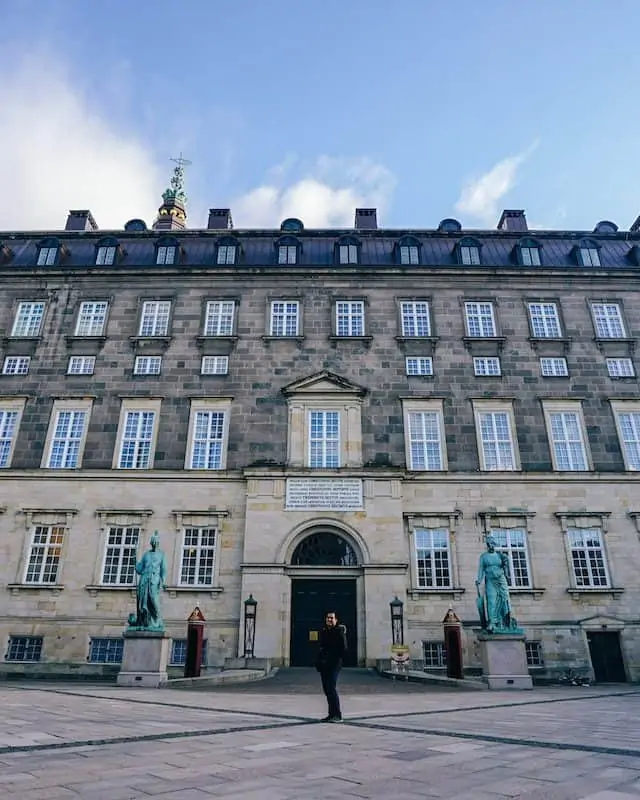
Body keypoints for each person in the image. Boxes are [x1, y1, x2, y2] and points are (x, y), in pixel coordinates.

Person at [315, 611, 347, 722]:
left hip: (334, 664)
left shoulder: (339, 631)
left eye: (331, 618)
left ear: (336, 620)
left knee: (331, 688)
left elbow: (343, 649)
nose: (329, 620)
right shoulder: (324, 631)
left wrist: (332, 658)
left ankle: (337, 715)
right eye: (328, 618)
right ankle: (331, 714)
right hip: (324, 665)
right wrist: (319, 662)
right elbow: (321, 647)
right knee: (327, 689)